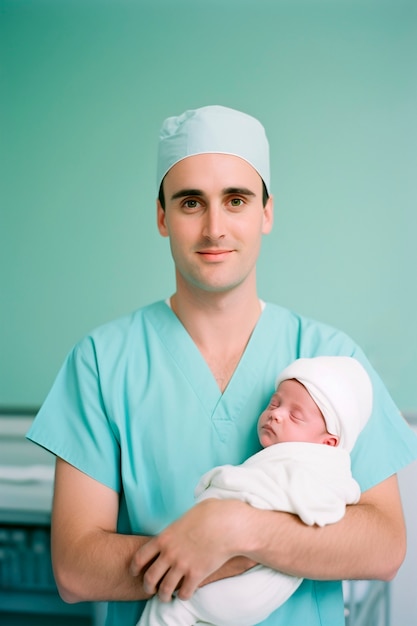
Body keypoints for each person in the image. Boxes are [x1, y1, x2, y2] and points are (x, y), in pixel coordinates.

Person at [26, 104, 417, 626]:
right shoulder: (101, 362)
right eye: (191, 203)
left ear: (266, 212)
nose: (215, 228)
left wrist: (236, 530)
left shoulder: (333, 359)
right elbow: (76, 568)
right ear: (163, 216)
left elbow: (384, 546)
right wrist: (211, 550)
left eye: (236, 200)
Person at [137, 355, 373, 626]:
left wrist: (221, 483)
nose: (276, 413)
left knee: (169, 610)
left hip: (241, 585)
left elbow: (273, 494)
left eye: (295, 416)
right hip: (246, 596)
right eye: (274, 403)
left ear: (328, 443)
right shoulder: (290, 462)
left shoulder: (313, 467)